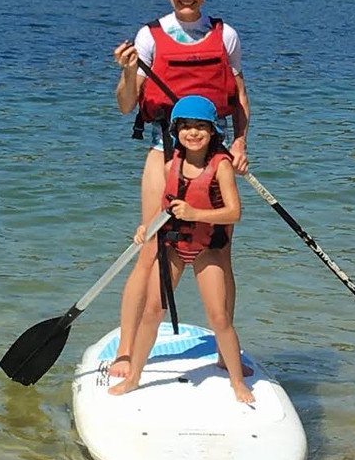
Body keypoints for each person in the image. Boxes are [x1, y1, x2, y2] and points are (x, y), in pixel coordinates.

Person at [111, 0, 251, 377]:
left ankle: (228, 350)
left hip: (214, 155)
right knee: (150, 251)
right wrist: (126, 74)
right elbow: (125, 106)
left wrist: (241, 141)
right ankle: (125, 346)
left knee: (220, 254)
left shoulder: (226, 36)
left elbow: (240, 98)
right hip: (164, 151)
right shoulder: (150, 37)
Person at [109, 96, 254, 403]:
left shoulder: (221, 165)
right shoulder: (171, 162)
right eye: (186, 127)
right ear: (176, 131)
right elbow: (165, 205)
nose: (193, 133)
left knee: (219, 317)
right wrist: (146, 227)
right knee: (152, 311)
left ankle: (237, 381)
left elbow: (234, 212)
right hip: (174, 246)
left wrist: (195, 214)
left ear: (213, 131)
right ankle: (134, 377)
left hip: (207, 249)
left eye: (200, 127)